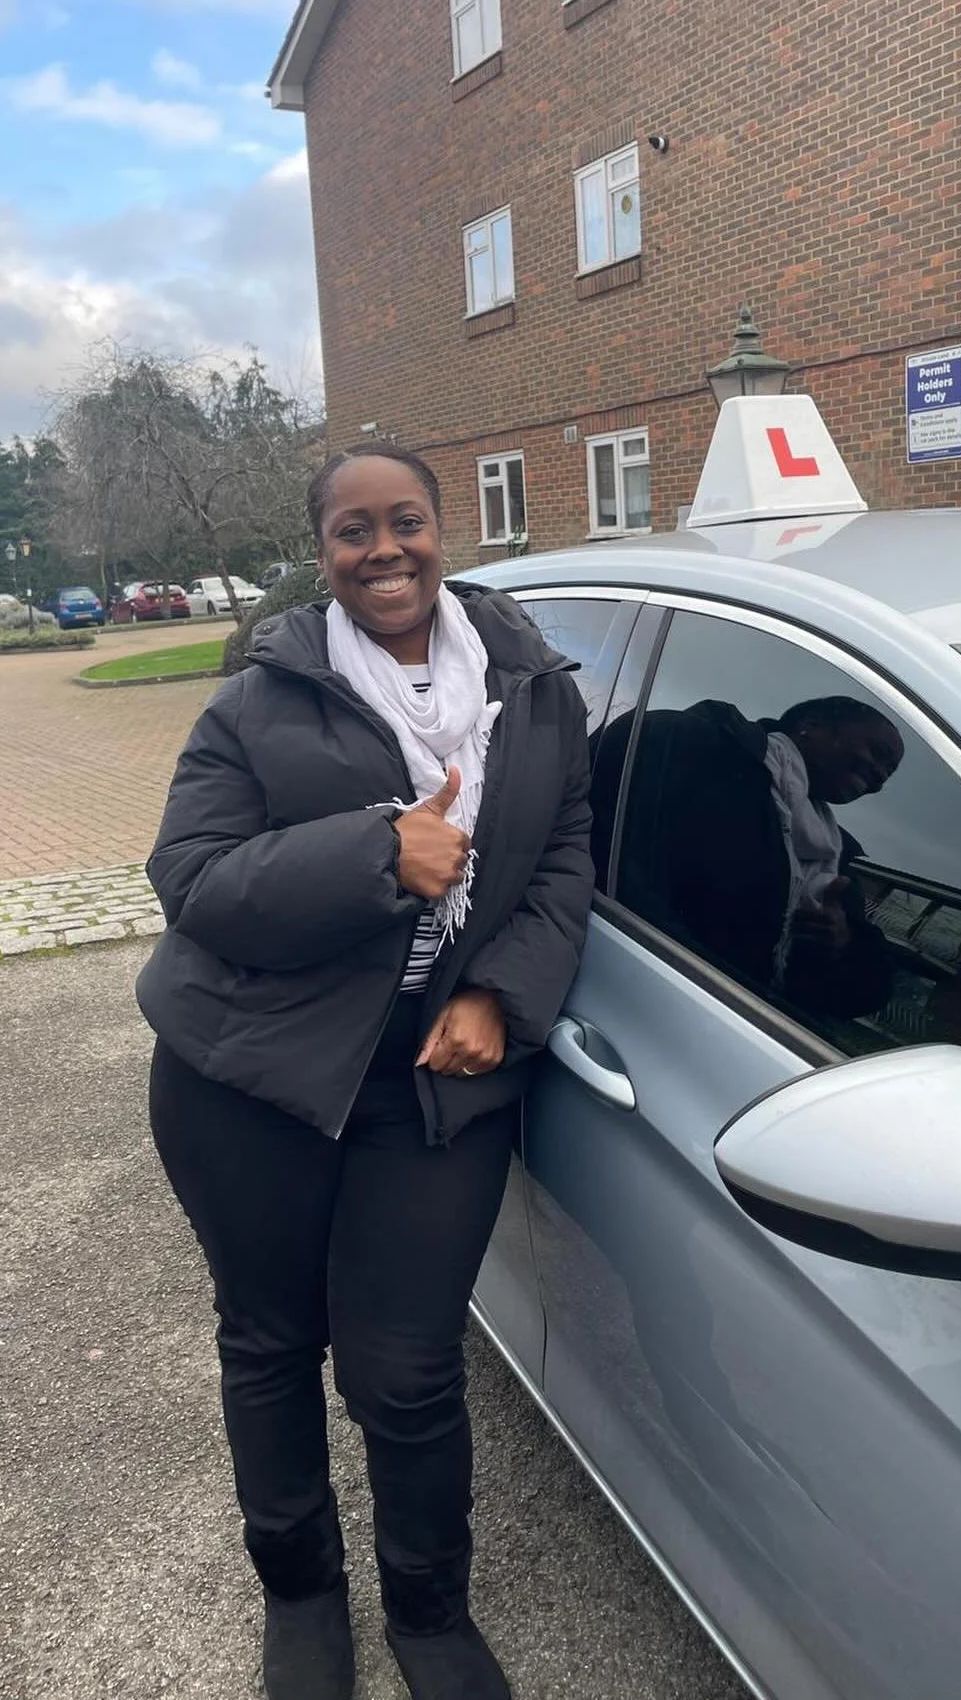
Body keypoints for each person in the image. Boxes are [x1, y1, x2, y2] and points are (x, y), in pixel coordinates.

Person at [136, 444, 595, 1700]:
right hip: (249, 1073)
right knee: (273, 1339)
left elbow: (563, 852)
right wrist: (378, 855)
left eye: (406, 522)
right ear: (323, 553)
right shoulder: (258, 701)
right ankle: (300, 1594)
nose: (384, 551)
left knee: (407, 1367)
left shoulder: (533, 687)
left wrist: (501, 993)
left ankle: (429, 1612)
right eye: (354, 531)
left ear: (443, 530)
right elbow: (192, 882)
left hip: (432, 1081)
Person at [609, 692, 903, 1020]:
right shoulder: (688, 748)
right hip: (641, 993)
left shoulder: (834, 855)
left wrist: (843, 944)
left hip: (730, 1023)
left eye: (888, 774)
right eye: (879, 754)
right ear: (811, 726)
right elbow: (607, 857)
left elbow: (864, 993)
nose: (880, 778)